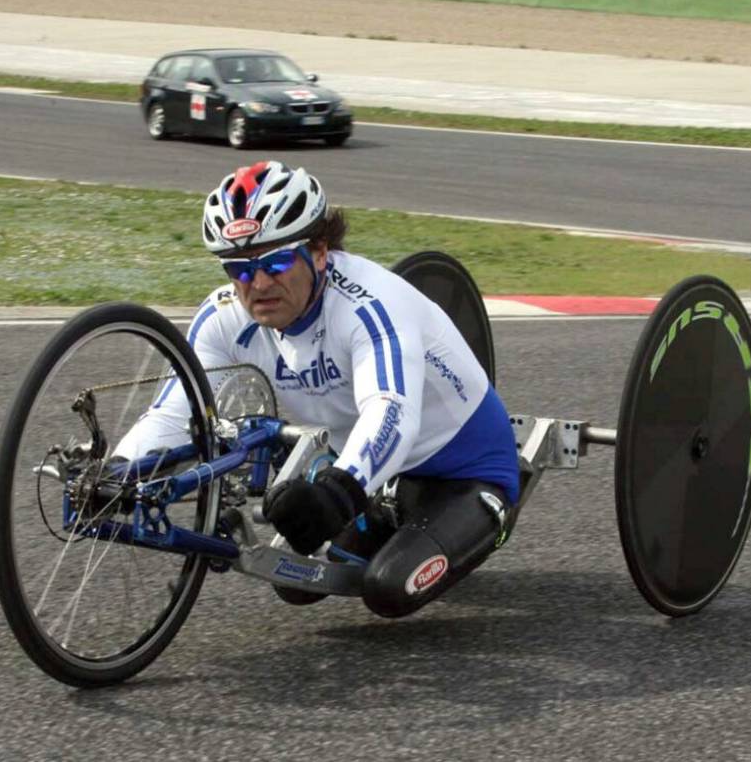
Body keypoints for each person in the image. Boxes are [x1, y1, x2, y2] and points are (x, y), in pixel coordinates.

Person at [114, 160, 521, 618]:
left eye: (277, 262)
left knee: (387, 589)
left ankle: (494, 513)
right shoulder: (223, 319)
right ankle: (387, 511)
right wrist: (121, 469)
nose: (259, 284)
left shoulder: (370, 306)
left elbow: (390, 411)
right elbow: (174, 414)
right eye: (239, 269)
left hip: (466, 470)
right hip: (383, 478)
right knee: (296, 581)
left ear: (320, 251)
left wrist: (338, 491)